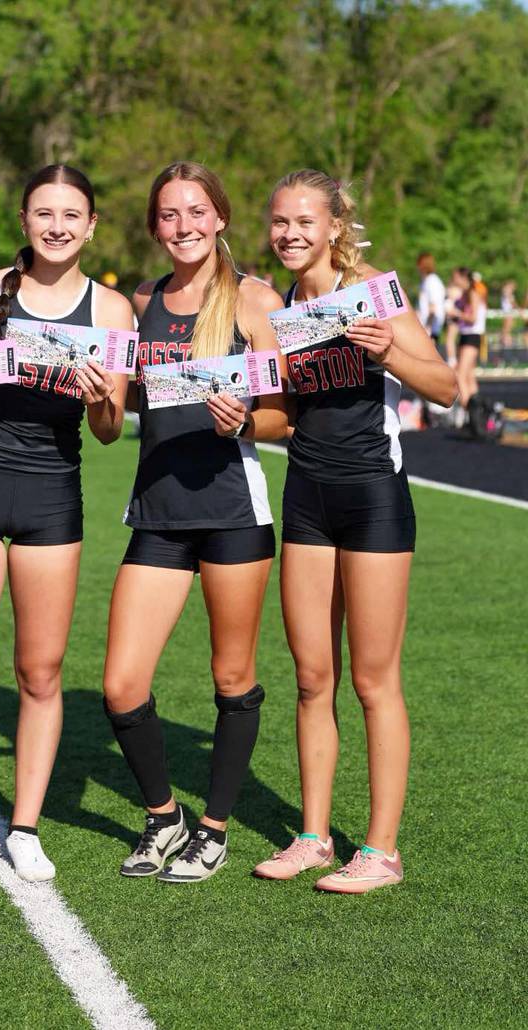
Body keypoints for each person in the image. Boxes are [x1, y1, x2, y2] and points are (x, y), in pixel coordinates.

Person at [253, 169, 456, 893]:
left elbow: (445, 386)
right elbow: (285, 413)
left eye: (304, 221)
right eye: (279, 222)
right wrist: (238, 414)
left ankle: (381, 851)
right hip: (307, 496)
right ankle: (312, 836)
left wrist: (386, 352)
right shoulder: (279, 303)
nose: (290, 234)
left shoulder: (373, 287)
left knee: (373, 680)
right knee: (312, 677)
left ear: (335, 224)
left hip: (373, 495)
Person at [0, 165, 133, 884]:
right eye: (43, 212)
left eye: (71, 214)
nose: (57, 225)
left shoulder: (111, 311)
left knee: (41, 673)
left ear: (91, 224)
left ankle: (25, 828)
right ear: (24, 220)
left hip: (54, 493)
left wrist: (100, 399)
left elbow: (110, 429)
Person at [102, 161, 288, 884]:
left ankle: (213, 828)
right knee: (121, 684)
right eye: (169, 215)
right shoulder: (141, 301)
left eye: (197, 212)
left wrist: (246, 417)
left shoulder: (253, 299)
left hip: (232, 511)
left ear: (220, 218)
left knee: (232, 674)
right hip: (158, 511)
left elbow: (283, 416)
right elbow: (113, 413)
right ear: (155, 227)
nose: (184, 226)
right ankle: (163, 818)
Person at [456, 266, 487, 422]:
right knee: (469, 377)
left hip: (472, 336)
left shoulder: (473, 293)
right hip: (465, 335)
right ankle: (478, 413)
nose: (454, 281)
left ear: (463, 278)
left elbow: (473, 318)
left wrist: (456, 313)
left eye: (456, 278)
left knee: (460, 375)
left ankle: (471, 415)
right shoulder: (464, 295)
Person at [416, 253, 445, 346]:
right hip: (424, 326)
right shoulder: (425, 281)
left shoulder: (432, 281)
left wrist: (428, 328)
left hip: (429, 329)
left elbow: (433, 307)